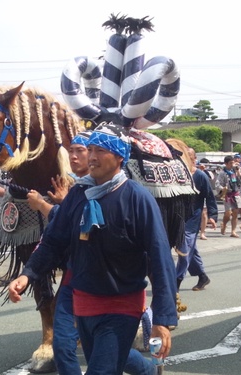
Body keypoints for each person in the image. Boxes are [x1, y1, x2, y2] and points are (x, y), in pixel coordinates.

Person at [9, 123, 177, 374]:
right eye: (91, 149)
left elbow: (159, 258)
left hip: (122, 305)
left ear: (120, 156)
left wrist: (163, 319)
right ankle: (148, 371)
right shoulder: (78, 194)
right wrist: (27, 274)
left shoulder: (137, 198)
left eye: (101, 150)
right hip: (83, 303)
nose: (93, 156)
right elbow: (54, 240)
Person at [172, 144, 218, 292]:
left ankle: (176, 281)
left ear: (194, 159)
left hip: (193, 219)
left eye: (189, 157)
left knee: (184, 250)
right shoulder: (178, 175)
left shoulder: (200, 176)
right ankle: (202, 276)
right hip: (179, 217)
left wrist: (212, 216)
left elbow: (210, 197)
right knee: (191, 250)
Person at [216, 155, 241, 238]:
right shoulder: (222, 173)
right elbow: (217, 184)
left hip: (236, 193)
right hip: (227, 194)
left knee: (235, 212)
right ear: (226, 164)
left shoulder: (234, 172)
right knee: (228, 213)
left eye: (233, 163)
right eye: (230, 163)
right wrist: (222, 188)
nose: (232, 164)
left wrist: (238, 172)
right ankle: (224, 223)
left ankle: (233, 231)